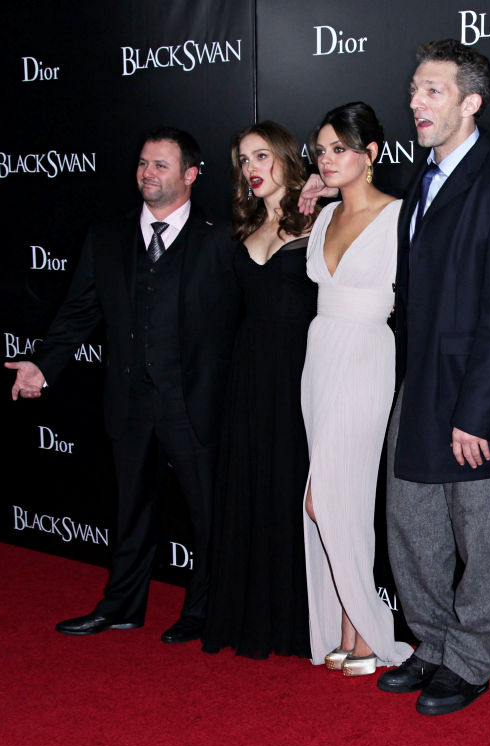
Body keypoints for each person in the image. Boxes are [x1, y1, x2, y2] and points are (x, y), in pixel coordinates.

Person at [6, 126, 239, 643]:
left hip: (195, 402)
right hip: (130, 401)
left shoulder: (220, 239)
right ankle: (123, 605)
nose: (147, 174)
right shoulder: (106, 237)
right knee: (132, 507)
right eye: (142, 164)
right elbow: (79, 312)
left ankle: (202, 610)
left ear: (191, 175)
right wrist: (43, 366)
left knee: (207, 514)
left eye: (160, 165)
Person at [375, 40, 490, 714]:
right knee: (412, 529)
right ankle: (433, 644)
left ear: (470, 103)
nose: (416, 102)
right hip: (420, 386)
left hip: (476, 396)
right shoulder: (423, 179)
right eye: (414, 89)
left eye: (432, 91)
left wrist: (479, 410)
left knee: (483, 542)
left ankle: (471, 661)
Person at [301, 102, 413, 676]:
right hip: (321, 358)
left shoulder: (399, 216)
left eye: (339, 148)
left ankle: (370, 629)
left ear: (370, 154)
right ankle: (351, 629)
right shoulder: (323, 218)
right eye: (320, 149)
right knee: (333, 500)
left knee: (330, 500)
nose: (326, 158)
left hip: (367, 356)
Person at [201, 122, 318, 659]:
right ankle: (244, 617)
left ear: (289, 159)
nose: (252, 168)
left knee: (290, 491)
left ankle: (292, 622)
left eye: (263, 155)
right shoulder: (241, 230)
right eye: (244, 159)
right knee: (248, 490)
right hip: (247, 381)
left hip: (300, 379)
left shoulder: (322, 221)